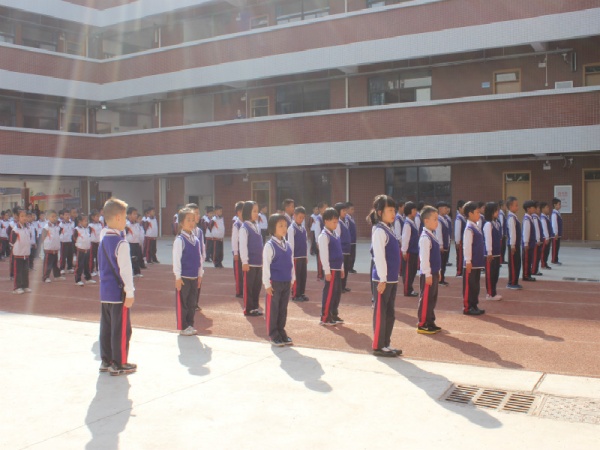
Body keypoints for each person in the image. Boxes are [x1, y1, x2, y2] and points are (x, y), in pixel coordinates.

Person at [98, 198, 137, 376]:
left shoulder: (102, 239)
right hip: (118, 292)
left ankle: (106, 360)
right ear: (118, 218)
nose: (126, 221)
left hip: (105, 291)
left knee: (106, 327)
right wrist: (130, 291)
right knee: (121, 329)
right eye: (125, 217)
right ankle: (119, 362)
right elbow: (125, 270)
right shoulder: (121, 243)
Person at [369, 195, 402, 356]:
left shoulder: (389, 229)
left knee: (390, 313)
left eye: (394, 210)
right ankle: (378, 345)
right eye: (389, 210)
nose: (393, 213)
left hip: (392, 279)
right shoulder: (379, 231)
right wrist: (382, 278)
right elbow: (379, 256)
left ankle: (386, 343)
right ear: (380, 212)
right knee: (381, 313)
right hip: (383, 280)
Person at [263, 214, 295, 346]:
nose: (284, 228)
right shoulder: (269, 246)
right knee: (273, 309)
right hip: (274, 283)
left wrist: (292, 279)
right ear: (273, 228)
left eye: (285, 226)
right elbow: (266, 266)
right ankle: (273, 334)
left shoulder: (288, 245)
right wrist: (267, 284)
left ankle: (281, 331)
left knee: (283, 309)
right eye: (280, 226)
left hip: (286, 282)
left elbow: (291, 263)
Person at [173, 207, 204, 336]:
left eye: (193, 219)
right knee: (183, 303)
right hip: (184, 278)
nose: (192, 222)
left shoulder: (196, 240)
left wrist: (200, 274)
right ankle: (183, 326)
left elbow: (199, 258)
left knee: (192, 303)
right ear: (181, 223)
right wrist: (178, 277)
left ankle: (190, 324)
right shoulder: (180, 240)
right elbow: (176, 260)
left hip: (194, 277)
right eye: (188, 220)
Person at [417, 205, 443, 333]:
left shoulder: (432, 235)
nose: (437, 222)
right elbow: (424, 258)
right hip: (428, 274)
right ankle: (423, 323)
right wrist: (427, 274)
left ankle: (430, 320)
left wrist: (438, 271)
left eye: (437, 219)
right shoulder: (425, 238)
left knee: (432, 298)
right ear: (426, 221)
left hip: (434, 272)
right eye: (435, 219)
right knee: (426, 298)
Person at [318, 207, 345, 326]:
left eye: (337, 221)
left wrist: (342, 267)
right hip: (331, 269)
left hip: (337, 268)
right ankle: (325, 317)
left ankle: (333, 313)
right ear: (326, 221)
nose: (336, 223)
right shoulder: (324, 236)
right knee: (329, 292)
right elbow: (324, 255)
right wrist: (327, 271)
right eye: (333, 221)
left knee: (337, 292)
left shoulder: (336, 234)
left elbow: (340, 252)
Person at [239, 201, 264, 317]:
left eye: (257, 211)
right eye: (254, 211)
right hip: (250, 263)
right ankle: (248, 308)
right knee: (249, 287)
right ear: (248, 212)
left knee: (257, 286)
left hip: (258, 263)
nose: (256, 213)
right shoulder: (244, 228)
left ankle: (255, 306)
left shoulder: (257, 226)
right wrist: (245, 261)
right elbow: (243, 246)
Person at [462, 201, 485, 316]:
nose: (479, 215)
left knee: (475, 286)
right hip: (471, 262)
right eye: (477, 212)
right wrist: (468, 261)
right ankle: (467, 307)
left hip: (477, 262)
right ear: (470, 214)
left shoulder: (475, 226)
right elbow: (467, 246)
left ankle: (474, 304)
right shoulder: (469, 228)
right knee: (469, 285)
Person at [287, 206, 309, 302]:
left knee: (303, 276)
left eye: (303, 217)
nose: (301, 219)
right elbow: (291, 244)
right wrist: (291, 257)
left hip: (303, 256)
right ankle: (295, 294)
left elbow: (306, 242)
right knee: (296, 276)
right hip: (296, 257)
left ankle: (302, 293)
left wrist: (306, 256)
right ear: (294, 216)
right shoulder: (291, 228)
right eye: (300, 217)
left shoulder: (303, 229)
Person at [483, 202, 502, 301]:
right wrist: (489, 252)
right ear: (490, 212)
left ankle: (494, 292)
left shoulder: (497, 223)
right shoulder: (488, 224)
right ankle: (490, 294)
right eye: (495, 211)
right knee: (490, 274)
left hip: (497, 253)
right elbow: (488, 239)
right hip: (491, 254)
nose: (497, 212)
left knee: (495, 274)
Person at [10, 209, 31, 294]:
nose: (24, 218)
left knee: (25, 271)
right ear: (18, 218)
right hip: (18, 254)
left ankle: (25, 286)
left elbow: (29, 238)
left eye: (25, 216)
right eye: (22, 216)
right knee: (18, 272)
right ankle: (17, 287)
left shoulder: (28, 228)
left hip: (26, 253)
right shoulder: (15, 230)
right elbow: (11, 242)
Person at [400, 201, 419, 297]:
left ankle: (410, 288)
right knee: (408, 272)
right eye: (414, 210)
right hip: (409, 252)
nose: (416, 211)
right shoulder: (407, 224)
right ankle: (407, 290)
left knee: (413, 271)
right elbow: (405, 238)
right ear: (409, 211)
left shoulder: (412, 222)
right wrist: (404, 251)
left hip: (414, 251)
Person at [41, 210, 64, 283]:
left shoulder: (57, 226)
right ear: (48, 217)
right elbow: (43, 236)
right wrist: (46, 244)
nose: (54, 218)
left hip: (55, 247)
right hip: (49, 248)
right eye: (52, 217)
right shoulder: (46, 227)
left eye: (55, 216)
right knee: (47, 263)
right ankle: (45, 277)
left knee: (55, 263)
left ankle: (57, 275)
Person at [334, 202, 352, 293]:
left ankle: (343, 286)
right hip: (342, 250)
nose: (345, 212)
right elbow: (337, 237)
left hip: (347, 250)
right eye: (343, 211)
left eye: (346, 210)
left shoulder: (345, 221)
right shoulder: (338, 223)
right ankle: (340, 287)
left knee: (346, 268)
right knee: (342, 269)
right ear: (338, 211)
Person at [73, 214, 95, 286]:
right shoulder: (77, 229)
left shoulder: (89, 228)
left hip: (87, 249)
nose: (86, 222)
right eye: (84, 221)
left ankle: (88, 278)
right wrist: (78, 246)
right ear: (80, 222)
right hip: (80, 250)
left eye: (87, 221)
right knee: (79, 265)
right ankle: (78, 279)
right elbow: (74, 238)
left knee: (87, 265)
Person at [506, 196, 523, 289]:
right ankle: (511, 282)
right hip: (513, 245)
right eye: (516, 205)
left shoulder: (514, 217)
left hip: (516, 244)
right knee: (513, 264)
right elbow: (512, 232)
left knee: (517, 263)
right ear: (510, 206)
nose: (517, 207)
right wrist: (512, 245)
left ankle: (515, 281)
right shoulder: (511, 218)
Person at [435, 201, 451, 287]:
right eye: (445, 208)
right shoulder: (438, 219)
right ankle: (439, 280)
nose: (447, 210)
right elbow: (438, 233)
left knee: (444, 263)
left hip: (445, 245)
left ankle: (442, 278)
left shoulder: (444, 219)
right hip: (441, 246)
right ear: (440, 209)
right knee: (440, 264)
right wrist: (440, 245)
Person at [231, 201, 245, 298]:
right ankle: (239, 291)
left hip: (245, 252)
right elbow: (234, 240)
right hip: (239, 252)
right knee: (239, 273)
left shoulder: (246, 223)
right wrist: (235, 253)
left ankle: (244, 289)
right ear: (239, 212)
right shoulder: (237, 225)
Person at [521, 200, 537, 282]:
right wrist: (526, 243)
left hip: (530, 243)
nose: (534, 209)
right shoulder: (527, 219)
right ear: (528, 209)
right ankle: (526, 275)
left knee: (529, 259)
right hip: (528, 244)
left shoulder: (530, 218)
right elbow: (526, 232)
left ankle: (528, 274)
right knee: (527, 260)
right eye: (533, 207)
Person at [125, 207, 143, 278]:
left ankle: (137, 272)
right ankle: (129, 272)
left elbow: (139, 233)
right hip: (129, 244)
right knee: (131, 258)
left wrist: (140, 242)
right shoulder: (127, 225)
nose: (136, 215)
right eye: (134, 214)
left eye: (136, 214)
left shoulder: (137, 224)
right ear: (129, 215)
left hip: (136, 243)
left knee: (137, 258)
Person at [313, 202, 327, 281]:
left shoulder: (325, 218)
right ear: (320, 209)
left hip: (325, 241)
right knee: (320, 258)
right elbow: (317, 231)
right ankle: (320, 274)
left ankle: (324, 273)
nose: (326, 209)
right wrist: (317, 242)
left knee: (324, 257)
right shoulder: (318, 219)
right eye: (325, 208)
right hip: (320, 241)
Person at [59, 209, 75, 274]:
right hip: (63, 241)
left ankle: (70, 267)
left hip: (70, 241)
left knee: (70, 255)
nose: (67, 216)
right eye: (66, 215)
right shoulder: (61, 224)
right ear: (63, 216)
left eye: (68, 215)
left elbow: (73, 231)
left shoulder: (72, 223)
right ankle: (62, 268)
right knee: (63, 255)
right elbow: (59, 232)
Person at [454, 200, 466, 276]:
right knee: (460, 256)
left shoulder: (463, 217)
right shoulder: (459, 218)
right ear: (460, 208)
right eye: (464, 208)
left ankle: (461, 270)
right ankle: (459, 271)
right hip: (460, 240)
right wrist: (457, 241)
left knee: (462, 256)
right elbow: (457, 230)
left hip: (463, 240)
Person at [89, 210, 102, 276]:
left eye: (98, 216)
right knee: (91, 257)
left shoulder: (100, 224)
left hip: (98, 243)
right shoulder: (90, 225)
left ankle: (98, 269)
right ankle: (91, 270)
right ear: (92, 217)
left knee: (99, 257)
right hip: (92, 243)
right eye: (97, 216)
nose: (98, 218)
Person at [540, 202, 553, 270]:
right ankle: (543, 263)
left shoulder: (546, 217)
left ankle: (545, 262)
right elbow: (544, 228)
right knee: (544, 251)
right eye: (547, 208)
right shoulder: (543, 218)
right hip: (545, 238)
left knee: (547, 251)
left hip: (548, 237)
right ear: (542, 209)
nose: (548, 209)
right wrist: (547, 237)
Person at [346, 202, 358, 273]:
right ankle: (349, 268)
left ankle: (351, 267)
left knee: (353, 254)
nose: (353, 211)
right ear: (347, 209)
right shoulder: (347, 219)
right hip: (350, 240)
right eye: (351, 209)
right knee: (350, 255)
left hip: (353, 240)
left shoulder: (351, 218)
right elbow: (347, 229)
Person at [551, 198, 563, 265]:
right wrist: (555, 233)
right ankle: (554, 260)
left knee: (557, 247)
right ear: (555, 205)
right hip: (555, 234)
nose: (560, 205)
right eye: (559, 204)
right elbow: (554, 224)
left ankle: (556, 259)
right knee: (555, 247)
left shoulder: (558, 213)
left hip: (558, 234)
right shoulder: (554, 214)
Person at [498, 200, 507, 264]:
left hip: (503, 233)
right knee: (502, 247)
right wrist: (503, 233)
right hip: (502, 234)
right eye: (504, 205)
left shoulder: (503, 213)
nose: (505, 207)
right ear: (501, 206)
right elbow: (501, 224)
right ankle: (501, 260)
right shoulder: (501, 214)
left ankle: (502, 259)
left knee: (504, 247)